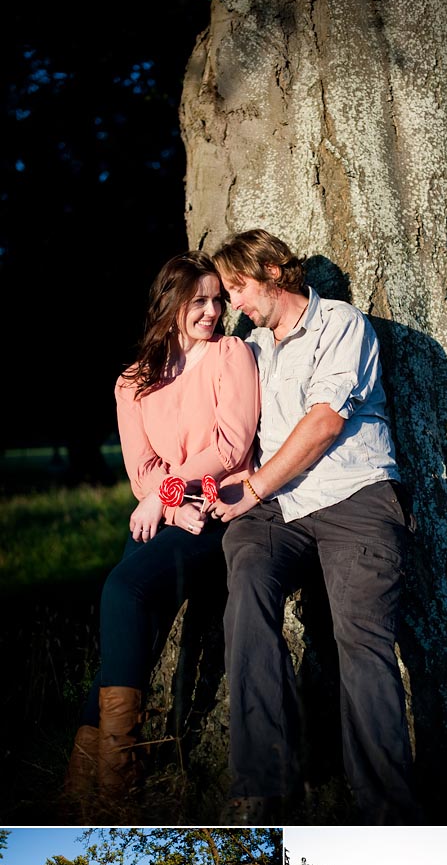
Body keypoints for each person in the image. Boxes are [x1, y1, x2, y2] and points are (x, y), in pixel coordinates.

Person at [210, 228, 420, 826]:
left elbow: (325, 421)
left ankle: (388, 809)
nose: (234, 303)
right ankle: (263, 782)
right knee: (246, 584)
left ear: (276, 271)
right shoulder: (248, 348)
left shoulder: (342, 325)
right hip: (278, 511)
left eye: (239, 287)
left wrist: (252, 487)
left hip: (353, 497)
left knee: (363, 640)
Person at [62, 251, 260, 806]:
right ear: (170, 303)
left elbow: (231, 445)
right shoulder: (133, 382)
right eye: (199, 300)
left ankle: (117, 781)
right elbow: (140, 470)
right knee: (130, 635)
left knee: (122, 588)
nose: (212, 311)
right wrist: (170, 504)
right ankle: (86, 787)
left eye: (218, 300)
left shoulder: (231, 354)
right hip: (171, 517)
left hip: (219, 512)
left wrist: (166, 495)